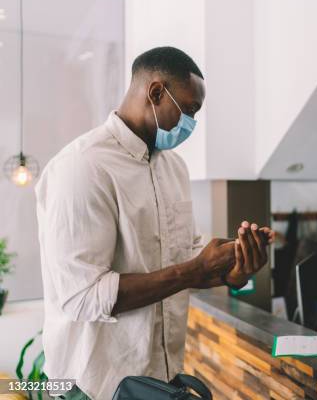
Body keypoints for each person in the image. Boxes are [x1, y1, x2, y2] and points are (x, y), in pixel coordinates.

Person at [35, 47, 273, 400]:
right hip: (94, 386)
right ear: (156, 92)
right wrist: (194, 270)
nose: (191, 124)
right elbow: (82, 296)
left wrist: (233, 269)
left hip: (160, 378)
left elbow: (182, 253)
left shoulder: (173, 168)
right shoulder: (82, 167)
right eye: (189, 111)